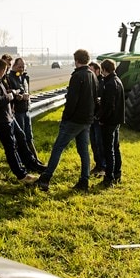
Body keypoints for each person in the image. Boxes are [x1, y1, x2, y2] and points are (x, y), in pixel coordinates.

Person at [37, 48, 97, 192]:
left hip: (74, 120)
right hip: (87, 119)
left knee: (58, 147)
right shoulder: (93, 75)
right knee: (83, 152)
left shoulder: (77, 76)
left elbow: (72, 100)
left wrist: (65, 117)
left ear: (76, 60)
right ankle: (84, 181)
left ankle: (46, 178)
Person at [0, 59, 41, 184]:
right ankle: (21, 175)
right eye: (5, 71)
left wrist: (11, 93)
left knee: (20, 138)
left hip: (7, 117)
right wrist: (11, 95)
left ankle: (30, 164)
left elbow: (0, 95)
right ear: (2, 70)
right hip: (0, 119)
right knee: (11, 147)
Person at [7, 57, 40, 163]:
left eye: (23, 66)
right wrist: (18, 96)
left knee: (29, 137)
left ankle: (34, 159)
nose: (22, 69)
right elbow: (9, 94)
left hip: (26, 110)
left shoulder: (24, 77)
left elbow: (26, 91)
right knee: (21, 138)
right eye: (19, 67)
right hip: (17, 112)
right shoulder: (9, 77)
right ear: (14, 66)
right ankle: (23, 161)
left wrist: (26, 96)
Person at [97, 58, 125, 187]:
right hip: (116, 120)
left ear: (104, 69)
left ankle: (109, 178)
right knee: (115, 147)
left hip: (109, 121)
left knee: (108, 150)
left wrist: (101, 119)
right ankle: (117, 173)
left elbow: (109, 106)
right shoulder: (118, 80)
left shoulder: (109, 84)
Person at [88, 60, 106, 178]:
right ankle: (98, 165)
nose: (89, 73)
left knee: (100, 142)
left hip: (98, 117)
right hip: (91, 117)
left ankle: (103, 167)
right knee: (94, 143)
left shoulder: (102, 83)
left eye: (91, 70)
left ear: (98, 71)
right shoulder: (91, 82)